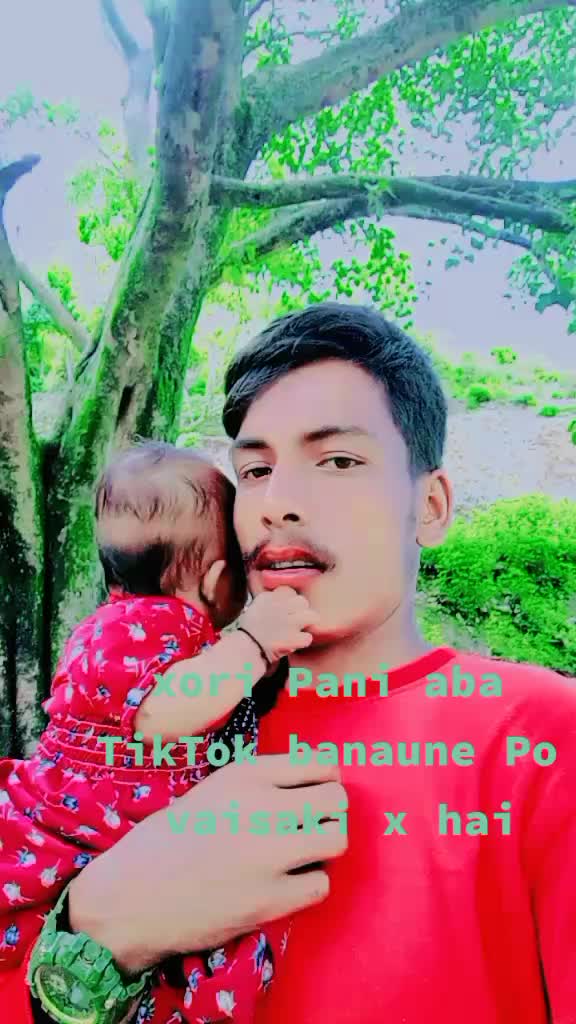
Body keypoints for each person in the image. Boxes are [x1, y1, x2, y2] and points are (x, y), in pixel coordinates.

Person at [1, 300, 575, 1023]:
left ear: (430, 506)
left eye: (338, 461)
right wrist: (98, 931)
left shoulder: (543, 736)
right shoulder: (135, 725)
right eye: (255, 469)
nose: (278, 503)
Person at [0, 441, 322, 1022]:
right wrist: (254, 641)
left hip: (92, 828)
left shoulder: (108, 626)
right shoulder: (156, 624)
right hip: (99, 820)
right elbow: (160, 712)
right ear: (216, 580)